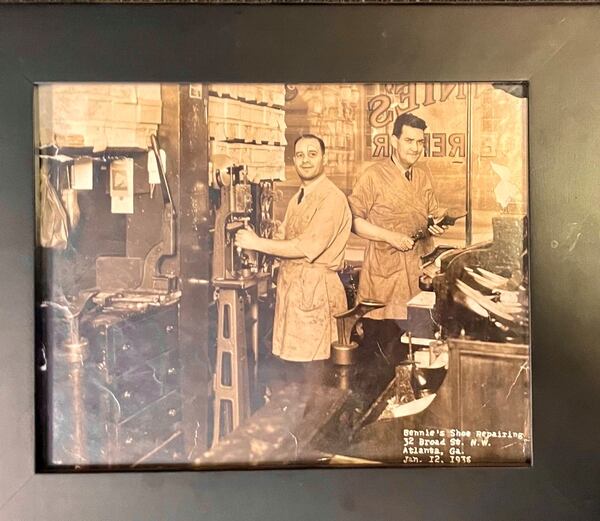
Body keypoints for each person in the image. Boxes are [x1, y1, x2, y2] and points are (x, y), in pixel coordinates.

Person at [235, 134, 352, 385]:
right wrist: (262, 242)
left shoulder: (332, 198)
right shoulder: (299, 196)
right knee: (295, 379)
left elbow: (306, 246)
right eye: (300, 155)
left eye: (312, 154)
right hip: (295, 294)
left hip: (317, 295)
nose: (306, 160)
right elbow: (285, 235)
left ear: (325, 158)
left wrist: (256, 243)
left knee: (315, 380)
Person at [348, 112, 447, 360]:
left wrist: (436, 225)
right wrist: (389, 236)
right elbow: (354, 222)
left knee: (415, 353)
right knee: (383, 353)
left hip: (416, 279)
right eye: (409, 141)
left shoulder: (422, 177)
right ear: (394, 141)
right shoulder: (372, 176)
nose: (415, 148)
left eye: (419, 142)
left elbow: (433, 216)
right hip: (383, 279)